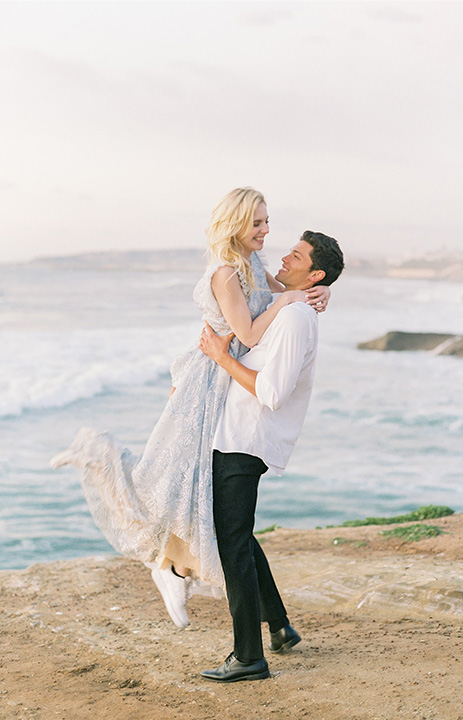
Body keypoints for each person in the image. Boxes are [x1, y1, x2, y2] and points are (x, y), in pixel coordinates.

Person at [50, 189, 330, 630]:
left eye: (267, 221)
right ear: (236, 223)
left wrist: (319, 289)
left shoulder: (252, 264)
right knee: (171, 484)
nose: (266, 231)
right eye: (257, 223)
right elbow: (251, 334)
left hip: (226, 380)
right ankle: (102, 462)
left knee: (201, 499)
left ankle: (185, 575)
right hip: (210, 381)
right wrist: (287, 301)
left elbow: (290, 290)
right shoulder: (225, 274)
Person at [197, 230, 345, 682]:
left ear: (314, 272)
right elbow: (260, 281)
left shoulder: (297, 318)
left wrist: (221, 359)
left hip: (248, 438)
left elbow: (272, 392)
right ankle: (278, 626)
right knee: (239, 533)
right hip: (239, 434)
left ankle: (248, 656)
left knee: (232, 541)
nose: (284, 254)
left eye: (296, 255)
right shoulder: (294, 305)